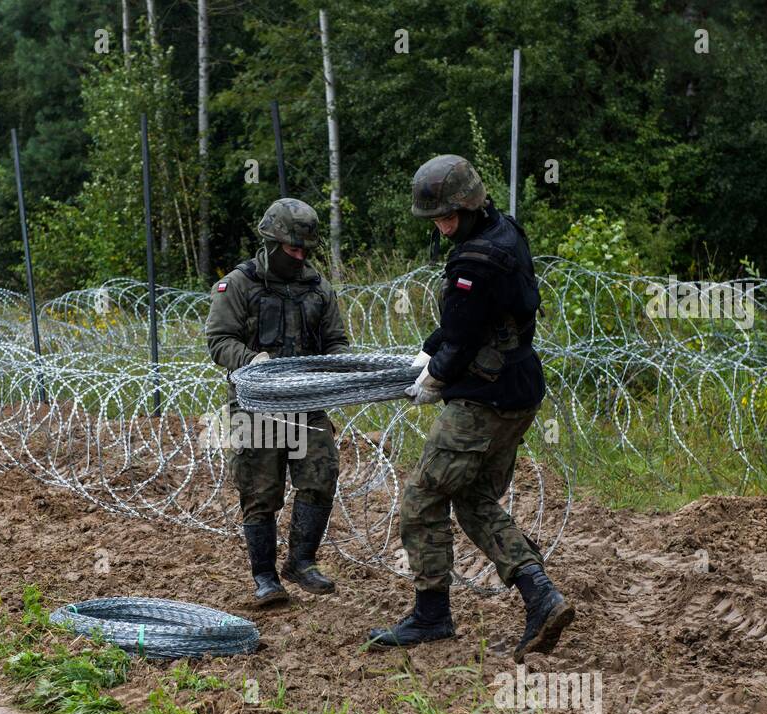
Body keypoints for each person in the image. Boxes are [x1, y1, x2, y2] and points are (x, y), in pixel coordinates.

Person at [368, 155, 575, 662]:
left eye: (445, 216)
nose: (440, 225)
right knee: (475, 500)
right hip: (518, 389)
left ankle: (432, 614)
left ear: (467, 205)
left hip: (481, 399)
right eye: (435, 218)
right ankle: (540, 595)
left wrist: (434, 377)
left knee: (422, 500)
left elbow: (462, 339)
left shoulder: (473, 262)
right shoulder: (506, 232)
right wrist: (429, 347)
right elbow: (478, 321)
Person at [205, 198, 349, 606]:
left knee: (321, 476)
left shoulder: (318, 288)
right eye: (293, 249)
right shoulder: (238, 284)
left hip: (307, 404)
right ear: (271, 242)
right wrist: (253, 362)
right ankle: (265, 577)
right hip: (255, 407)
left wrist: (338, 366)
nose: (300, 256)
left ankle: (301, 561)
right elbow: (219, 340)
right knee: (260, 490)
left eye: (305, 249)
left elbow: (335, 340)